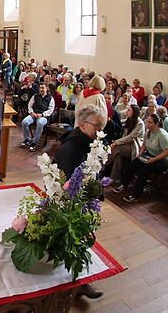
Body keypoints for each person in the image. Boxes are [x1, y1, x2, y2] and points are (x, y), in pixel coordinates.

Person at [53, 104, 108, 300]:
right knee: (75, 241)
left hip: (84, 200)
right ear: (83, 125)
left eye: (103, 126)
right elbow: (66, 182)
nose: (101, 131)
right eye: (97, 126)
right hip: (71, 203)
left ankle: (78, 280)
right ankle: (75, 282)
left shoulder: (89, 142)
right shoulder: (72, 147)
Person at [115, 114, 168, 202]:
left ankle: (135, 196)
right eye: (147, 122)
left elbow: (167, 152)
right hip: (150, 155)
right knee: (132, 164)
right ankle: (124, 184)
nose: (147, 124)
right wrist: (139, 155)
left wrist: (154, 160)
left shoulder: (162, 135)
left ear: (156, 124)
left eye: (150, 122)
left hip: (161, 160)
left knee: (144, 170)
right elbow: (144, 144)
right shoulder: (148, 132)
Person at [107, 104, 144, 183]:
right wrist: (111, 120)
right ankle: (114, 178)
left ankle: (103, 165)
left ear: (134, 112)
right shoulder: (129, 119)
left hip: (134, 146)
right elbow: (120, 123)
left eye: (129, 110)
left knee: (116, 148)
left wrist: (117, 142)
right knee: (118, 155)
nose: (127, 111)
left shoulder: (140, 123)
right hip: (126, 144)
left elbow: (130, 137)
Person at [20, 83, 55, 151]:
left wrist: (42, 115)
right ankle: (27, 139)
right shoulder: (35, 96)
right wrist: (31, 112)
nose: (41, 89)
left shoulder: (50, 98)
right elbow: (29, 105)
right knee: (24, 122)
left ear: (46, 89)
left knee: (40, 123)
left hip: (43, 116)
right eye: (40, 88)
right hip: (34, 114)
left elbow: (50, 110)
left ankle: (34, 142)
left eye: (43, 88)